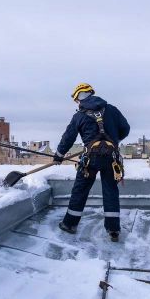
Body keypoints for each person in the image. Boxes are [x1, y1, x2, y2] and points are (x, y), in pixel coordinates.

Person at [53, 83, 130, 242]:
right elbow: (125, 128)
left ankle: (70, 224)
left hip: (90, 159)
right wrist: (114, 141)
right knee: (110, 191)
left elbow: (68, 138)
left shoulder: (79, 116)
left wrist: (59, 156)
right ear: (92, 94)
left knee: (80, 190)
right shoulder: (112, 110)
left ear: (78, 99)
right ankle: (113, 230)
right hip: (111, 158)